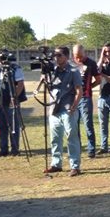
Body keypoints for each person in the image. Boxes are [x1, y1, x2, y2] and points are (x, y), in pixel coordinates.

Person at [44, 47, 83, 177]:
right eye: (55, 55)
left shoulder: (73, 71)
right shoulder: (53, 71)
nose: (56, 58)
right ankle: (56, 164)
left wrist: (74, 106)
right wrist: (44, 73)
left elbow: (79, 91)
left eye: (59, 55)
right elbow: (46, 86)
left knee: (71, 138)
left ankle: (75, 166)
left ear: (66, 56)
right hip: (54, 109)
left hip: (68, 109)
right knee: (55, 138)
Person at [0, 51, 25, 157]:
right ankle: (3, 149)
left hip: (11, 102)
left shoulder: (15, 68)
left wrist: (15, 97)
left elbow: (20, 84)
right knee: (2, 126)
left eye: (2, 58)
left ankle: (15, 149)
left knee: (13, 125)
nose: (0, 61)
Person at [72, 44, 101, 158]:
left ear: (85, 53)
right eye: (76, 56)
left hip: (85, 98)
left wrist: (89, 87)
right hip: (73, 99)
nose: (78, 59)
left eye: (80, 56)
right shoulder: (70, 64)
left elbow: (98, 80)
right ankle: (77, 149)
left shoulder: (91, 63)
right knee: (74, 126)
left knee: (88, 124)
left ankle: (91, 149)